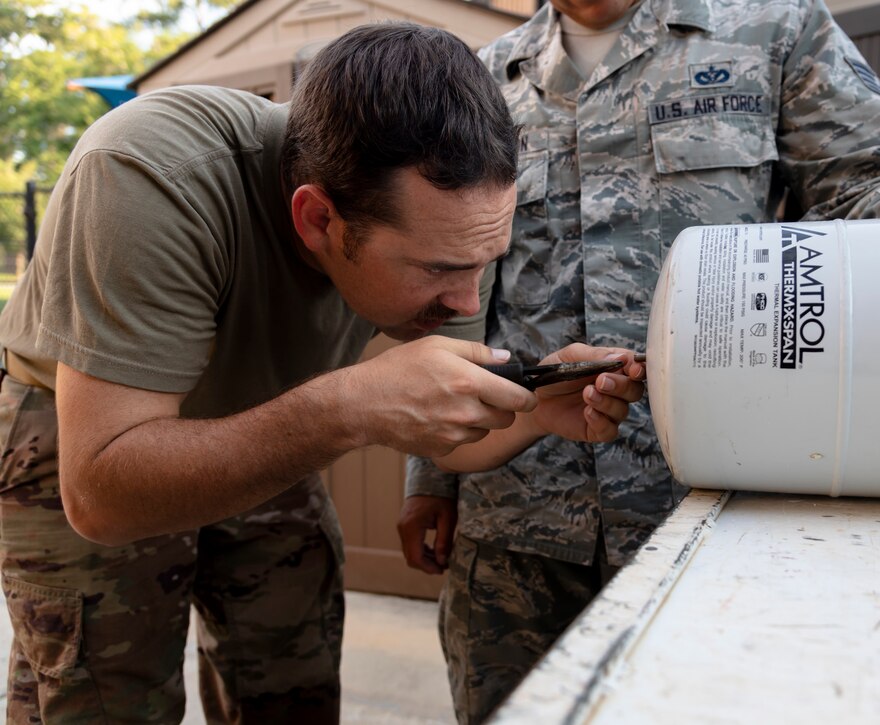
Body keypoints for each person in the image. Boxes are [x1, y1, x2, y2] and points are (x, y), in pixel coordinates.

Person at [396, 0, 880, 722]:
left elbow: (866, 185)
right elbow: (453, 302)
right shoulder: (483, 79)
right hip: (517, 530)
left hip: (710, 511)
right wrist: (429, 472)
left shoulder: (772, 29)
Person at [0, 22, 644, 724]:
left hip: (266, 411)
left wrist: (536, 411)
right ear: (317, 220)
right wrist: (347, 407)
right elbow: (99, 497)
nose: (468, 299)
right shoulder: (149, 173)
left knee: (290, 682)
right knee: (103, 697)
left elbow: (448, 438)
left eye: (483, 260)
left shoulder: (451, 228)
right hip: (82, 432)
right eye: (440, 269)